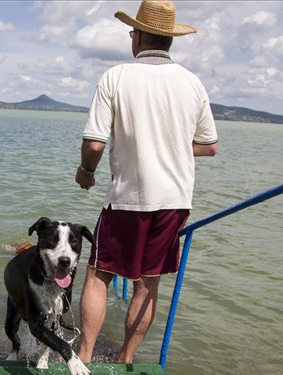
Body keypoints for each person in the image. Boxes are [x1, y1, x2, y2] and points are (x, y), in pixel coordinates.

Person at [74, 0, 219, 364]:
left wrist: (86, 172)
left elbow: (94, 143)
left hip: (128, 199)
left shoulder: (116, 77)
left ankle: (85, 358)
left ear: (137, 36)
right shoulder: (192, 82)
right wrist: (172, 148)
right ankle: (125, 359)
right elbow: (209, 146)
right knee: (148, 282)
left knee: (98, 275)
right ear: (169, 39)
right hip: (175, 200)